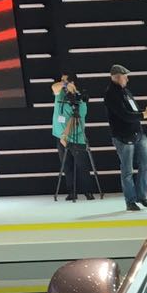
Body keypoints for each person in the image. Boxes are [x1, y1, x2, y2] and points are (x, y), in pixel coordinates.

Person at [104, 63, 147, 211]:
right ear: (117, 77)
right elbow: (125, 115)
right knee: (127, 171)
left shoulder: (126, 92)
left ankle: (141, 196)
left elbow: (133, 111)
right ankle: (130, 201)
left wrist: (146, 111)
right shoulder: (110, 95)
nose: (127, 79)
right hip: (123, 137)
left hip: (138, 133)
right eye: (125, 77)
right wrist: (144, 115)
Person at [51, 71, 93, 200]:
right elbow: (54, 87)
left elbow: (76, 120)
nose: (62, 83)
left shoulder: (80, 99)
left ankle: (88, 191)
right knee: (67, 166)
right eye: (62, 80)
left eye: (65, 80)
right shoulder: (60, 94)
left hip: (76, 137)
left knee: (82, 166)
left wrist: (65, 135)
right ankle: (71, 192)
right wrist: (65, 84)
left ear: (73, 82)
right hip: (59, 136)